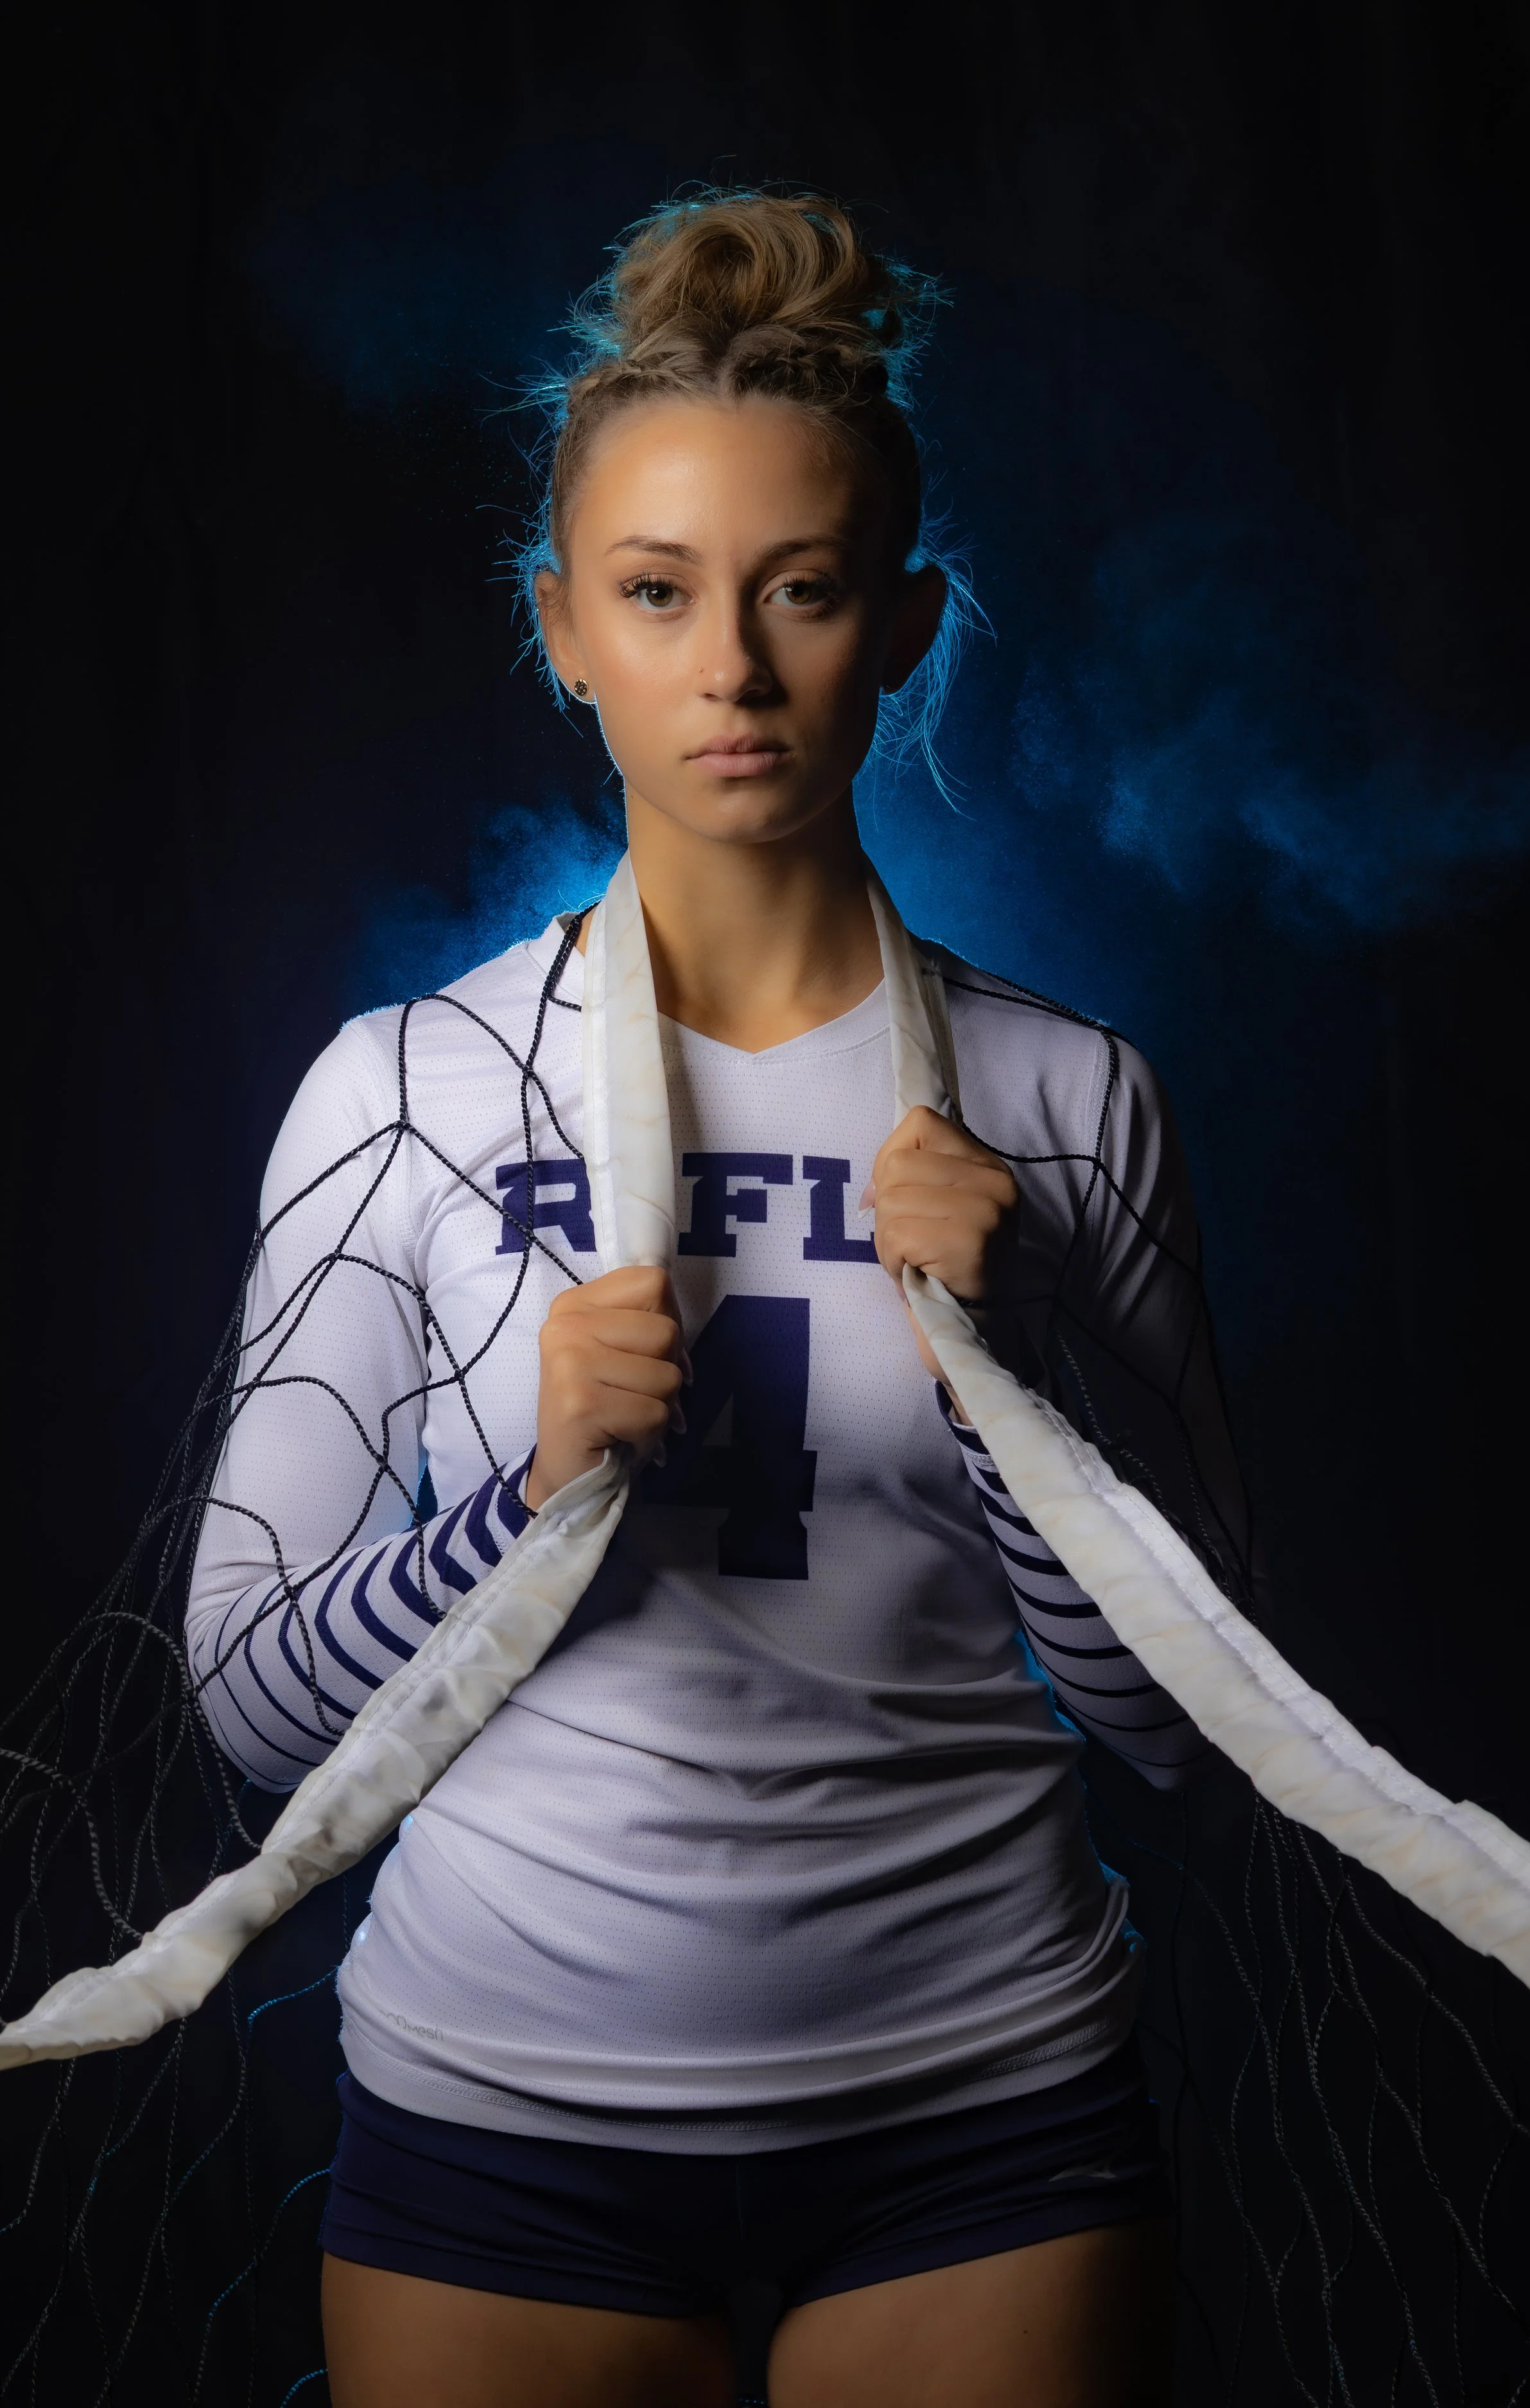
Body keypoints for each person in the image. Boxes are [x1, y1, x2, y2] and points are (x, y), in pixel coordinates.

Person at [187, 189, 1257, 2408]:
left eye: (803, 593)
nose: (733, 672)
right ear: (560, 626)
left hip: (990, 2119)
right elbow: (250, 1716)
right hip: (500, 2137)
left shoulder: (1068, 1100)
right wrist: (527, 1495)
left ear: (905, 623)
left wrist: (1012, 1365)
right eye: (660, 596)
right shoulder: (401, 1093)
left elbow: (1178, 1726)